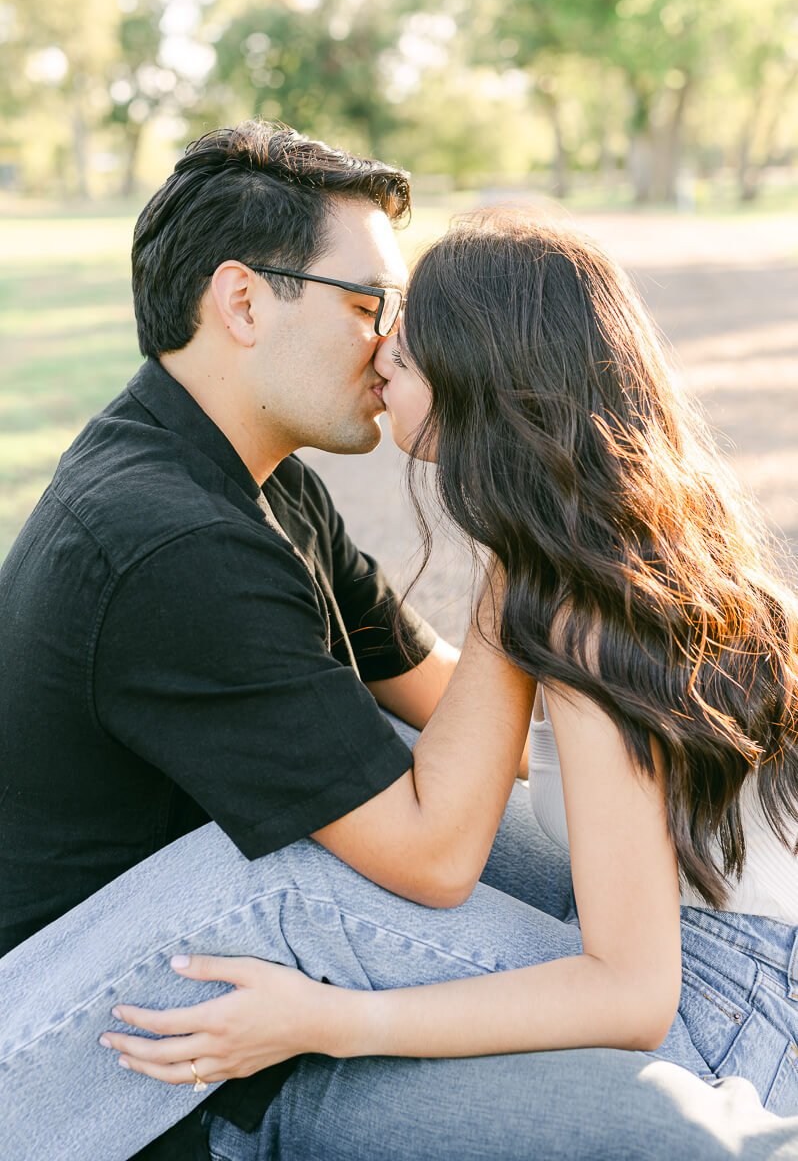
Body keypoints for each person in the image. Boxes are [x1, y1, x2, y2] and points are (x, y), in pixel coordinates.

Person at [1, 126, 796, 1161]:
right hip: (127, 1018)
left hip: (294, 959)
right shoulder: (171, 541)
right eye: (367, 304)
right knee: (314, 874)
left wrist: (542, 535)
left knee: (490, 843)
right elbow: (434, 853)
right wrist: (528, 555)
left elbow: (467, 724)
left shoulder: (266, 487)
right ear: (243, 303)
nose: (386, 348)